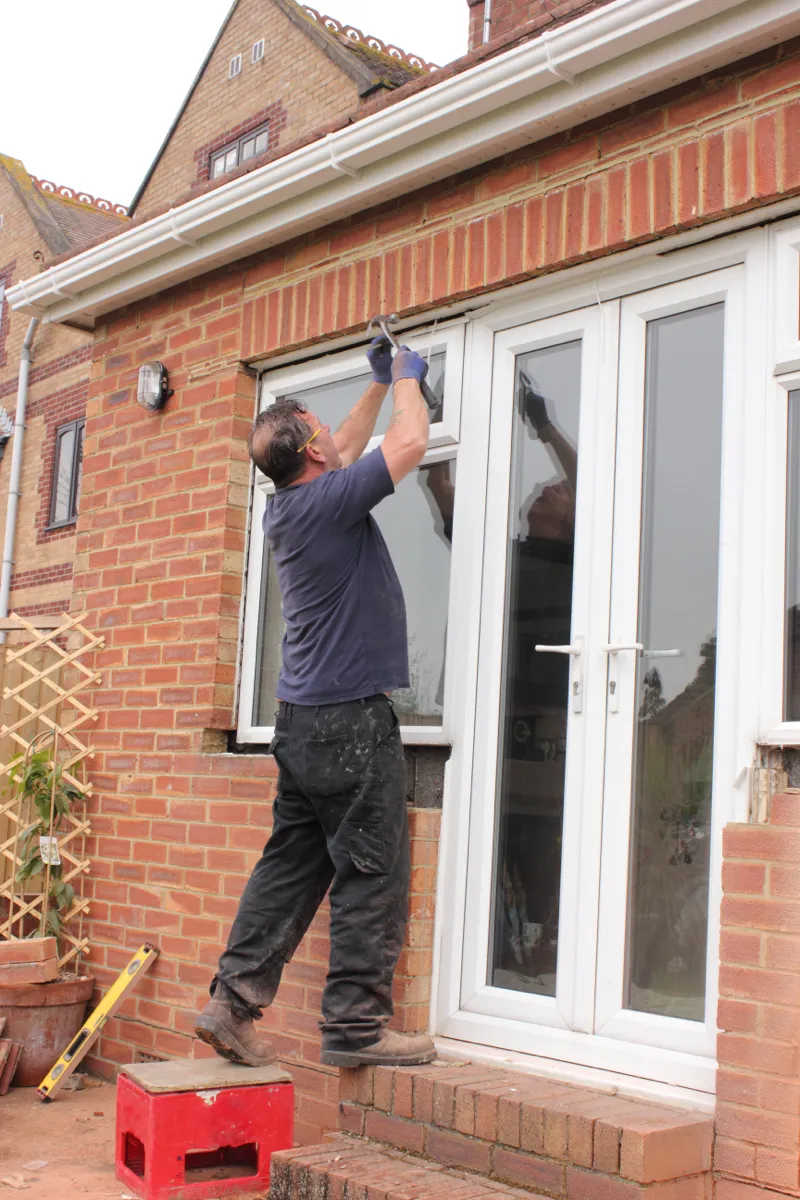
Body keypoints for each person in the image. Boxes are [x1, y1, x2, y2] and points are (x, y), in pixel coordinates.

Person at [195, 337, 437, 1070]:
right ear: (312, 455)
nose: (333, 432)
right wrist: (405, 379)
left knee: (291, 866)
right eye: (319, 426)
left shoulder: (292, 506)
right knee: (371, 867)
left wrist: (369, 385)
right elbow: (411, 439)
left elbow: (348, 444)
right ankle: (356, 1028)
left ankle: (230, 1004)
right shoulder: (328, 500)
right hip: (346, 723)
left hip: (301, 723)